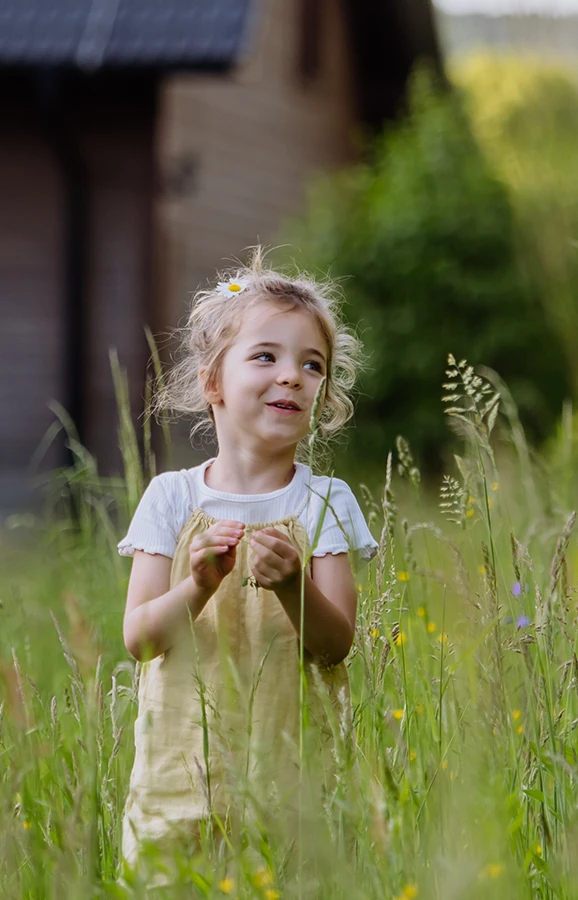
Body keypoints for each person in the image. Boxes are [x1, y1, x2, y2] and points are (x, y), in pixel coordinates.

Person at [116, 249, 379, 885]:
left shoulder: (324, 501)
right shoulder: (171, 497)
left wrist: (293, 587)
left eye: (312, 365)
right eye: (266, 356)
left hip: (292, 778)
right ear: (213, 382)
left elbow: (335, 645)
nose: (292, 376)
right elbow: (140, 639)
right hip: (181, 774)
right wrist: (199, 584)